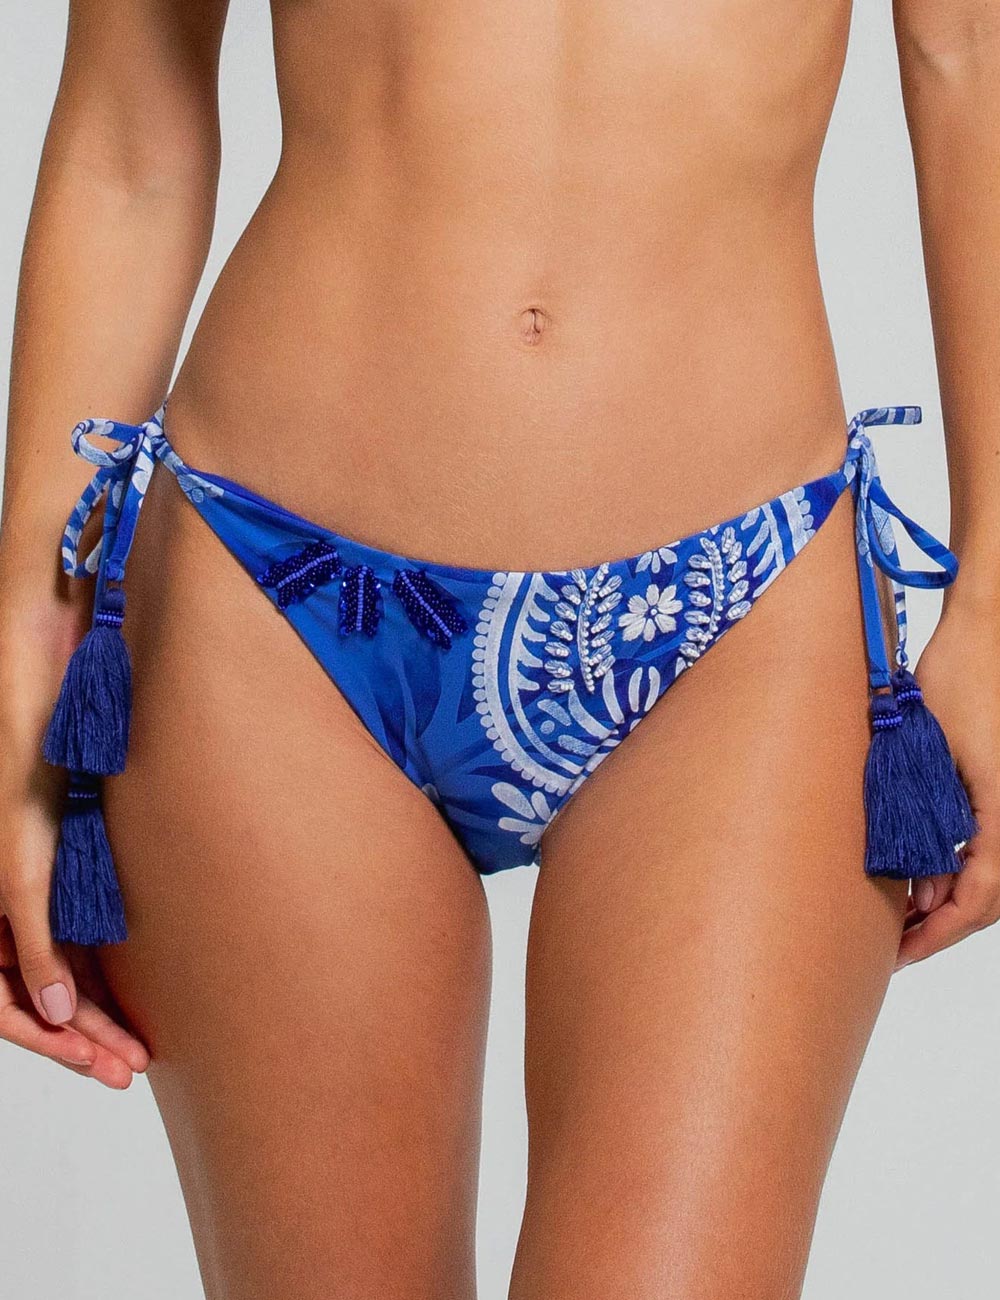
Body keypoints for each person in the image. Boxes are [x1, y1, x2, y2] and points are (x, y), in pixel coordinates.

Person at [1, 2, 997, 1297]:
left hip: (743, 602)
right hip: (270, 600)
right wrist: (27, 637)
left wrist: (997, 605)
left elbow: (970, 52)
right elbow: (131, 131)